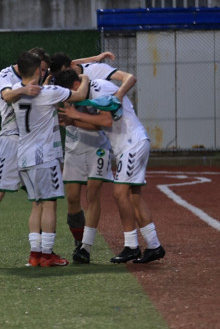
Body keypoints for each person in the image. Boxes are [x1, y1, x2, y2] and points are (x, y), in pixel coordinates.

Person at [54, 69, 165, 264]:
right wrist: (73, 120)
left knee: (119, 194)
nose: (71, 100)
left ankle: (131, 246)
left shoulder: (99, 89)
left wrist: (75, 115)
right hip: (130, 143)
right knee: (134, 197)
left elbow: (104, 120)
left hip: (131, 144)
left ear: (74, 86)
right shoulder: (91, 90)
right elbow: (99, 125)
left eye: (70, 94)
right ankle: (154, 245)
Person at [48, 52, 136, 262]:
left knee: (93, 195)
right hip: (73, 145)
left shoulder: (97, 72)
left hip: (98, 144)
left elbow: (102, 122)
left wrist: (75, 118)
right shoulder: (58, 80)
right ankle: (79, 240)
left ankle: (85, 248)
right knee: (71, 199)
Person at [12, 52, 89, 267]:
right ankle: (47, 254)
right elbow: (80, 95)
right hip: (44, 157)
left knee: (37, 205)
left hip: (24, 157)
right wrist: (85, 78)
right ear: (38, 70)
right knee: (50, 204)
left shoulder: (16, 94)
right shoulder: (49, 92)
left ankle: (35, 254)